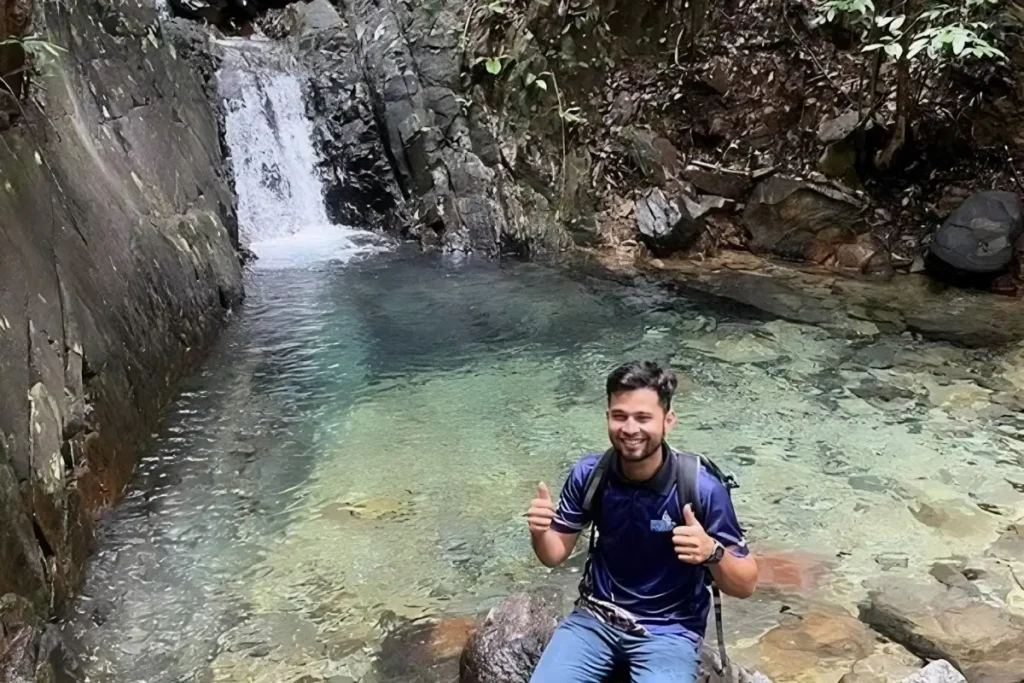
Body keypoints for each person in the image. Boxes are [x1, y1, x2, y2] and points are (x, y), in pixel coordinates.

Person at [525, 360, 758, 683]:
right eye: (620, 416)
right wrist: (539, 532)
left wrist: (712, 552)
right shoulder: (592, 474)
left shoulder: (701, 488)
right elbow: (553, 555)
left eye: (643, 418)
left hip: (669, 631)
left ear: (668, 421)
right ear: (608, 417)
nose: (630, 429)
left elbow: (745, 584)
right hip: (595, 617)